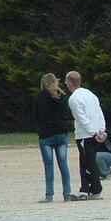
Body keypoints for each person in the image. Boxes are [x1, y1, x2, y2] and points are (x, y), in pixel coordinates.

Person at [65, 71, 106, 200]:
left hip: (85, 135)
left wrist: (94, 133)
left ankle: (94, 189)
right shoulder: (91, 95)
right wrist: (101, 131)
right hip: (95, 133)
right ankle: (85, 189)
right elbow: (100, 114)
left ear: (70, 83)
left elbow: (81, 119)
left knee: (87, 162)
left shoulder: (74, 99)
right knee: (86, 161)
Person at [32, 73, 72, 203]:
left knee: (49, 166)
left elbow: (35, 115)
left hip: (46, 135)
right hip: (61, 134)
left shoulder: (39, 98)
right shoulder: (62, 97)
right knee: (63, 165)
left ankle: (49, 195)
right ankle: (67, 194)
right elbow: (66, 114)